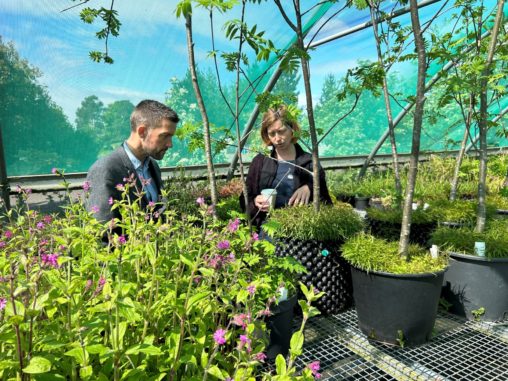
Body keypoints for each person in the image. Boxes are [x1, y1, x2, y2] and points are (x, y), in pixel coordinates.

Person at [86, 99, 179, 223]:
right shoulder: (106, 169)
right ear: (142, 131)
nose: (170, 144)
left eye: (171, 137)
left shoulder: (152, 166)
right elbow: (101, 231)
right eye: (164, 136)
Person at [241, 104, 332, 230]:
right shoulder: (260, 162)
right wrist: (256, 202)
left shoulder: (309, 162)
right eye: (272, 134)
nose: (277, 138)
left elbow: (325, 201)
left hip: (300, 230)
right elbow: (244, 198)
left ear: (292, 129)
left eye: (281, 131)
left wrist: (309, 187)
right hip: (268, 228)